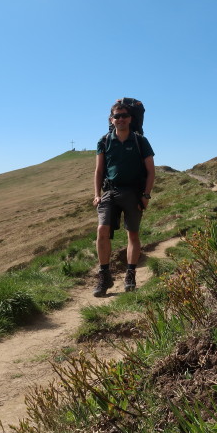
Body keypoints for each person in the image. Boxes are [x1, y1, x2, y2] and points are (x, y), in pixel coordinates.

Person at [92, 100, 155, 296]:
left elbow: (151, 171)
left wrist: (145, 195)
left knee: (133, 235)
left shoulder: (140, 141)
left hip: (133, 193)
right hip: (110, 192)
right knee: (102, 230)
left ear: (130, 119)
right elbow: (99, 170)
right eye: (117, 116)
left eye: (124, 116)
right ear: (111, 119)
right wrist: (96, 195)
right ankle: (104, 276)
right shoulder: (104, 141)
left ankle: (130, 274)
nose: (120, 119)